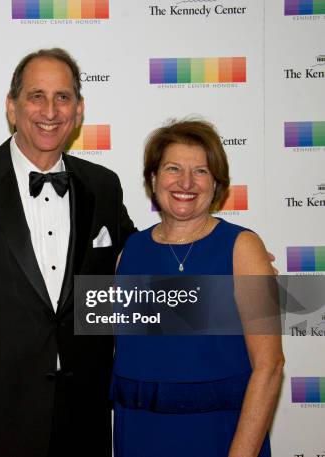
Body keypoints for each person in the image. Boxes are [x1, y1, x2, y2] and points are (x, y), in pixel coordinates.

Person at [0, 48, 136, 457]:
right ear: (12, 107)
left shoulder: (103, 185)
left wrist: (229, 258)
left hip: (84, 415)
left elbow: (142, 260)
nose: (50, 110)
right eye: (36, 96)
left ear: (79, 109)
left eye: (63, 97)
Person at [112, 119, 284, 456]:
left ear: (217, 183)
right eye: (173, 168)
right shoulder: (128, 254)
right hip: (140, 437)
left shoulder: (243, 248)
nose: (186, 182)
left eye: (201, 171)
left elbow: (270, 366)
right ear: (153, 178)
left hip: (220, 439)